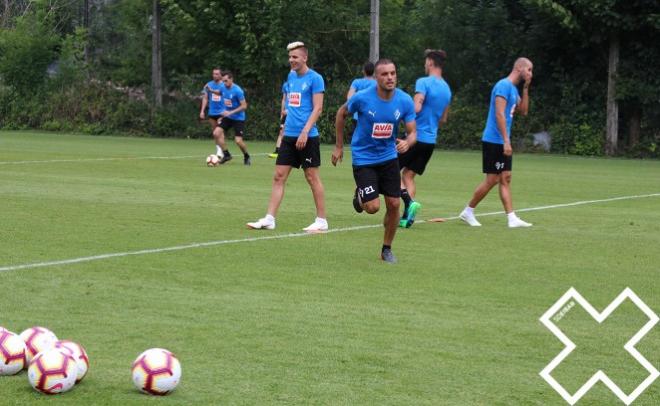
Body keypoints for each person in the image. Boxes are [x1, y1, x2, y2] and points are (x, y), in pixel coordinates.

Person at [333, 58, 416, 263]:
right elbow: (341, 114)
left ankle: (386, 249)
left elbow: (413, 132)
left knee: (395, 204)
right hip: (363, 158)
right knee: (373, 208)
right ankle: (360, 195)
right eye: (385, 74)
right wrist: (339, 146)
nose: (390, 77)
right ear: (376, 77)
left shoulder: (404, 100)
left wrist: (408, 142)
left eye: (393, 73)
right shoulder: (362, 98)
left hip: (388, 156)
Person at [247, 41, 328, 232]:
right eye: (290, 57)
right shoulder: (291, 77)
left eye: (295, 57)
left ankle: (322, 220)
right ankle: (269, 219)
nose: (291, 60)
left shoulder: (316, 78)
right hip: (289, 136)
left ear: (304, 58)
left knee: (311, 177)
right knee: (278, 176)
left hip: (307, 136)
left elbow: (318, 108)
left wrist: (305, 132)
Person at [458, 57, 533, 228]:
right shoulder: (503, 86)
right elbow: (499, 114)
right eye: (529, 69)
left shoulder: (513, 89)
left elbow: (524, 111)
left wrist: (526, 87)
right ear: (519, 68)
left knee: (505, 177)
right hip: (494, 140)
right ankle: (468, 211)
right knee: (492, 179)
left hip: (502, 140)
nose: (530, 73)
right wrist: (506, 141)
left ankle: (511, 218)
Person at [398, 49, 452, 228]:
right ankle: (408, 215)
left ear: (430, 62)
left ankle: (407, 203)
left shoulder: (423, 82)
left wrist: (400, 111)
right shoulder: (447, 89)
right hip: (430, 141)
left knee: (389, 170)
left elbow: (417, 107)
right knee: (408, 175)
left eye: (425, 62)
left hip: (414, 138)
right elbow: (443, 119)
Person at [217, 71, 250, 165]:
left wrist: (230, 112)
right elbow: (220, 93)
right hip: (228, 117)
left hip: (238, 118)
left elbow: (244, 106)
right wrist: (211, 91)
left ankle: (246, 155)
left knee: (238, 141)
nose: (224, 83)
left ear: (231, 79)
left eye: (226, 81)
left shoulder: (238, 90)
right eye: (223, 81)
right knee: (216, 133)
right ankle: (226, 155)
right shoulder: (223, 87)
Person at [199, 67, 226, 159]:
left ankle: (221, 152)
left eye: (217, 74)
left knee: (219, 132)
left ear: (221, 75)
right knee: (214, 132)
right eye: (213, 74)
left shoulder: (224, 85)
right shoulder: (208, 85)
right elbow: (205, 98)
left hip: (222, 112)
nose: (215, 75)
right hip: (212, 112)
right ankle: (219, 149)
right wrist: (202, 111)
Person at [269, 79, 289, 159]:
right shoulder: (286, 85)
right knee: (281, 132)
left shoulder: (301, 84)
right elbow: (284, 99)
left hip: (295, 113)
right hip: (286, 114)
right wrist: (282, 112)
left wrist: (290, 110)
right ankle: (277, 151)